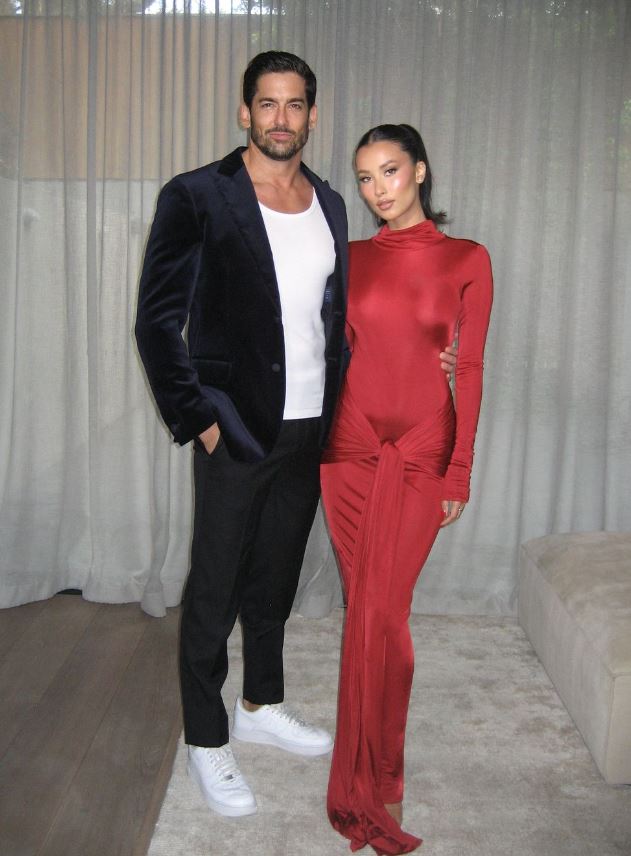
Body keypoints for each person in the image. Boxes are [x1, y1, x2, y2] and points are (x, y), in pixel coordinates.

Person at [136, 52, 457, 820]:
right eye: (267, 104)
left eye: (295, 105)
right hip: (236, 427)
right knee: (214, 586)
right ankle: (207, 738)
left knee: (274, 578)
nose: (281, 118)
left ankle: (260, 704)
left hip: (318, 425)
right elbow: (157, 321)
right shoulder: (197, 195)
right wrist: (201, 420)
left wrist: (431, 346)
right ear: (245, 113)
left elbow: (345, 315)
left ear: (313, 115)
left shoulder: (333, 203)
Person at [321, 124, 493, 854]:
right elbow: (327, 349)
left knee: (384, 617)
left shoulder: (467, 259)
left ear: (419, 170)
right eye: (363, 177)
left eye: (388, 171)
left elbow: (473, 370)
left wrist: (459, 469)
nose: (376, 189)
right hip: (348, 452)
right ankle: (375, 771)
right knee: (364, 609)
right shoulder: (348, 258)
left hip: (422, 449)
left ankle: (379, 769)